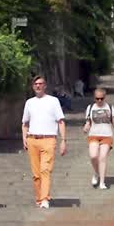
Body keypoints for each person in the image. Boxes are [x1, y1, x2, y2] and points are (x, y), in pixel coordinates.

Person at [22, 75, 67, 208]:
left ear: (45, 86)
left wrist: (63, 140)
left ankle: (45, 199)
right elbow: (24, 123)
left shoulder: (53, 101)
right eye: (36, 84)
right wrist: (24, 138)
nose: (38, 86)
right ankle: (39, 198)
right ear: (32, 86)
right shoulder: (29, 102)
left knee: (45, 170)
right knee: (36, 174)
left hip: (48, 139)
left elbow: (61, 121)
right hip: (32, 139)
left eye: (41, 83)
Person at [84, 87, 114, 190]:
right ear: (94, 98)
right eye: (97, 98)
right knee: (93, 156)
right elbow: (88, 122)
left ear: (105, 97)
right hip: (93, 135)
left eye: (102, 98)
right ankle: (96, 173)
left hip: (107, 135)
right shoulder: (91, 107)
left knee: (102, 157)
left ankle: (102, 182)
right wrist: (86, 127)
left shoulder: (109, 107)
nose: (99, 101)